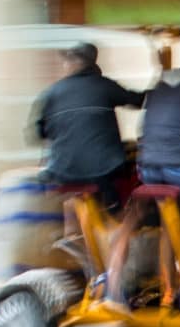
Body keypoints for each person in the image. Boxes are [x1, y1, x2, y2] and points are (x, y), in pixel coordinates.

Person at [106, 61, 180, 309]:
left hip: (148, 166)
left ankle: (169, 289)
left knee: (169, 223)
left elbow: (143, 132)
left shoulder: (158, 86)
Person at [30, 42, 144, 211]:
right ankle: (115, 217)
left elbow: (38, 133)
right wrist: (163, 93)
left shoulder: (52, 92)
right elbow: (138, 101)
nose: (65, 64)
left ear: (79, 63)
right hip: (103, 171)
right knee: (130, 173)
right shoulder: (104, 86)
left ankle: (78, 231)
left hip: (62, 171)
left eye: (68, 60)